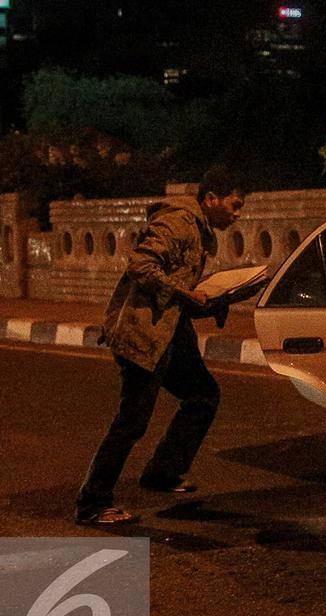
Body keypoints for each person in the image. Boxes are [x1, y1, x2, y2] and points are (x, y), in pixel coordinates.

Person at [76, 167, 246, 525]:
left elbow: (177, 288)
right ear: (211, 199)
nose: (237, 214)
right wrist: (188, 294)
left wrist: (216, 301)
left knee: (202, 395)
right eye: (234, 205)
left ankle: (163, 472)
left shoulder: (198, 229)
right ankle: (93, 502)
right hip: (145, 330)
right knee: (132, 421)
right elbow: (141, 266)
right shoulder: (178, 222)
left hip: (172, 329)